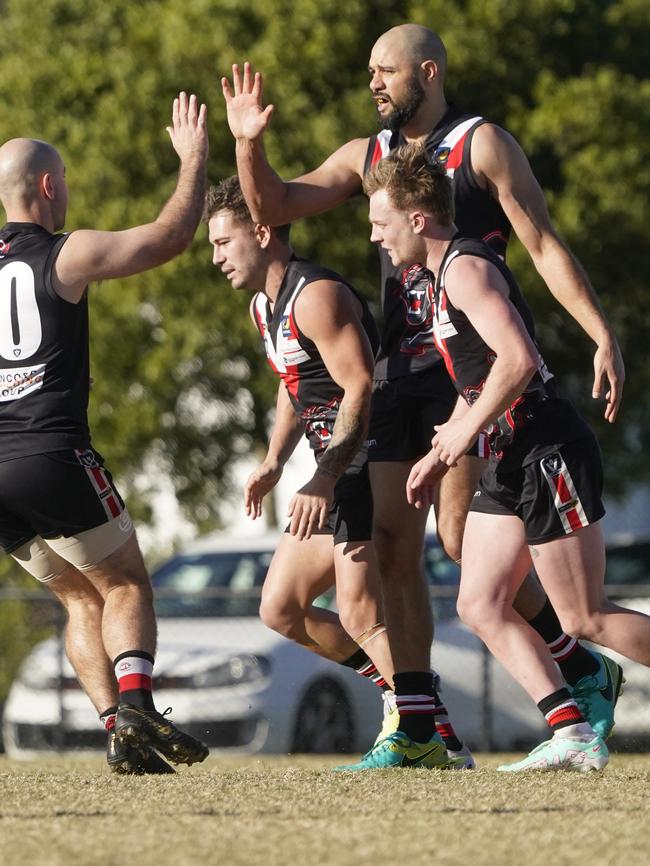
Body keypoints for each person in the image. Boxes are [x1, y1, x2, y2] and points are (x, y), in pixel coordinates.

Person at [220, 24, 625, 752]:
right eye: (369, 70)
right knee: (391, 542)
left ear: (427, 72)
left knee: (466, 543)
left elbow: (541, 242)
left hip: (468, 377)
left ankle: (576, 665)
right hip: (399, 374)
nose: (373, 82)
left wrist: (600, 332)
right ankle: (417, 727)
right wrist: (248, 142)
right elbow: (273, 205)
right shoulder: (366, 155)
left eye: (386, 70)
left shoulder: (481, 144)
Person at [364, 140, 650, 770]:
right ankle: (571, 730)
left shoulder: (464, 267)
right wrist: (447, 444)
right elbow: (482, 375)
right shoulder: (435, 279)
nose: (377, 239)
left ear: (416, 218)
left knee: (585, 617)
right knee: (479, 602)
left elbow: (518, 362)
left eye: (381, 224)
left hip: (547, 448)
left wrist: (463, 435)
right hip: (509, 457)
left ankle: (581, 708)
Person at [204, 175, 464, 770]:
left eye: (225, 242)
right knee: (281, 609)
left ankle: (425, 731)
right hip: (331, 469)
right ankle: (414, 705)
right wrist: (273, 459)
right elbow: (293, 382)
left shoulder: (315, 295)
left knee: (357, 608)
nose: (216, 257)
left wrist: (323, 476)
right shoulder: (261, 306)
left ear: (264, 232)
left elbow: (360, 385)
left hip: (368, 460)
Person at [0, 93, 210, 774]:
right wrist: (194, 160)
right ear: (49, 187)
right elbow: (170, 236)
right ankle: (137, 704)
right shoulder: (64, 254)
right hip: (49, 453)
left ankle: (118, 736)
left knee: (75, 592)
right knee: (125, 583)